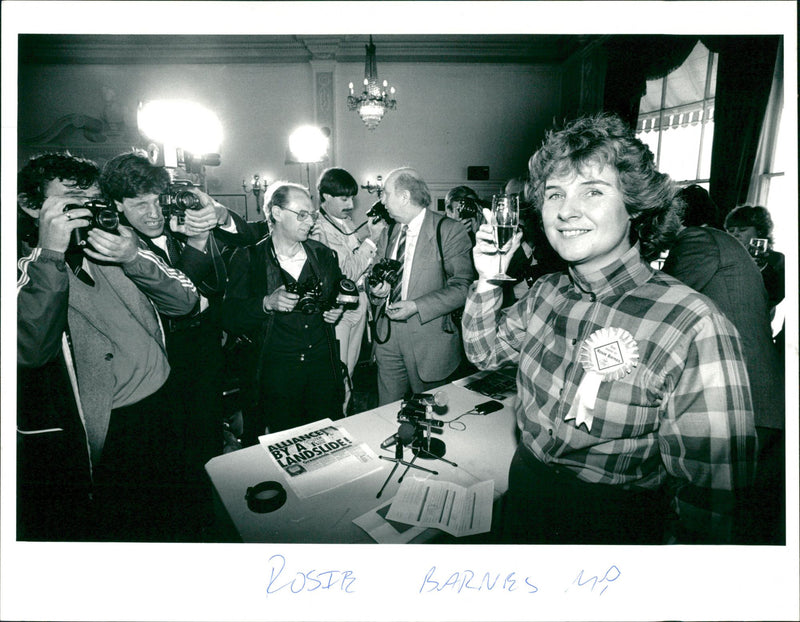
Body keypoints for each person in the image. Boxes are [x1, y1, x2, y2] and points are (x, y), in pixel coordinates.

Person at [462, 114, 757, 544]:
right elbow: (485, 354)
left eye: (593, 191)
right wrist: (489, 279)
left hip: (610, 525)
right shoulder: (546, 292)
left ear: (634, 206)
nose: (566, 210)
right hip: (525, 493)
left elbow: (710, 502)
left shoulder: (692, 323)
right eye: (554, 194)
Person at [17, 152, 200, 541]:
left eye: (91, 198)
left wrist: (133, 257)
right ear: (32, 206)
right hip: (110, 424)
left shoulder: (116, 242)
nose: (86, 208)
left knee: (182, 513)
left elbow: (185, 301)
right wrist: (51, 252)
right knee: (128, 523)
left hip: (165, 398)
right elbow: (30, 349)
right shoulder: (23, 265)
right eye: (71, 197)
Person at [99, 150, 251, 537]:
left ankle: (213, 518)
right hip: (164, 370)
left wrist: (216, 216)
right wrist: (199, 245)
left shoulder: (177, 227)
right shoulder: (115, 246)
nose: (153, 214)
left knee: (207, 450)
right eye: (139, 205)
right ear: (116, 206)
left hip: (207, 360)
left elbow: (247, 241)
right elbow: (179, 298)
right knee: (177, 463)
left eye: (157, 202)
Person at [663, 185, 784, 543]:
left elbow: (662, 302)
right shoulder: (720, 242)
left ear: (679, 215)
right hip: (759, 399)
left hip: (746, 401)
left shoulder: (698, 240)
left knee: (706, 527)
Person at [223, 182, 346, 444]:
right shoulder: (249, 258)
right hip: (276, 372)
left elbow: (336, 294)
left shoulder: (322, 254)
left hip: (321, 368)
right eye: (301, 214)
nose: (310, 222)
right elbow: (229, 316)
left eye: (312, 215)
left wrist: (336, 309)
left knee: (324, 439)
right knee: (283, 444)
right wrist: (266, 302)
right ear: (277, 213)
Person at [368, 167, 474, 404]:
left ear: (404, 197)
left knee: (431, 420)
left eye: (385, 193)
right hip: (387, 339)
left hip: (429, 340)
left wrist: (416, 306)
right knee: (388, 413)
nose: (381, 200)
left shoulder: (448, 230)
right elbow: (373, 276)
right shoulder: (390, 232)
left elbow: (463, 287)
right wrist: (377, 290)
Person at [310, 167, 387, 414]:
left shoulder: (346, 222)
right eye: (344, 198)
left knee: (350, 371)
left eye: (352, 198)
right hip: (339, 311)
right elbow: (345, 274)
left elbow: (356, 253)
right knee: (337, 372)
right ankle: (336, 418)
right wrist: (372, 240)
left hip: (359, 306)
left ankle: (343, 415)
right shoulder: (318, 228)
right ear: (325, 196)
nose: (350, 203)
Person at [724, 204, 785, 321]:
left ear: (760, 231)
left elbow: (774, 296)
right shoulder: (723, 257)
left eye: (742, 229)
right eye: (730, 230)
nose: (735, 234)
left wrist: (761, 267)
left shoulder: (776, 260)